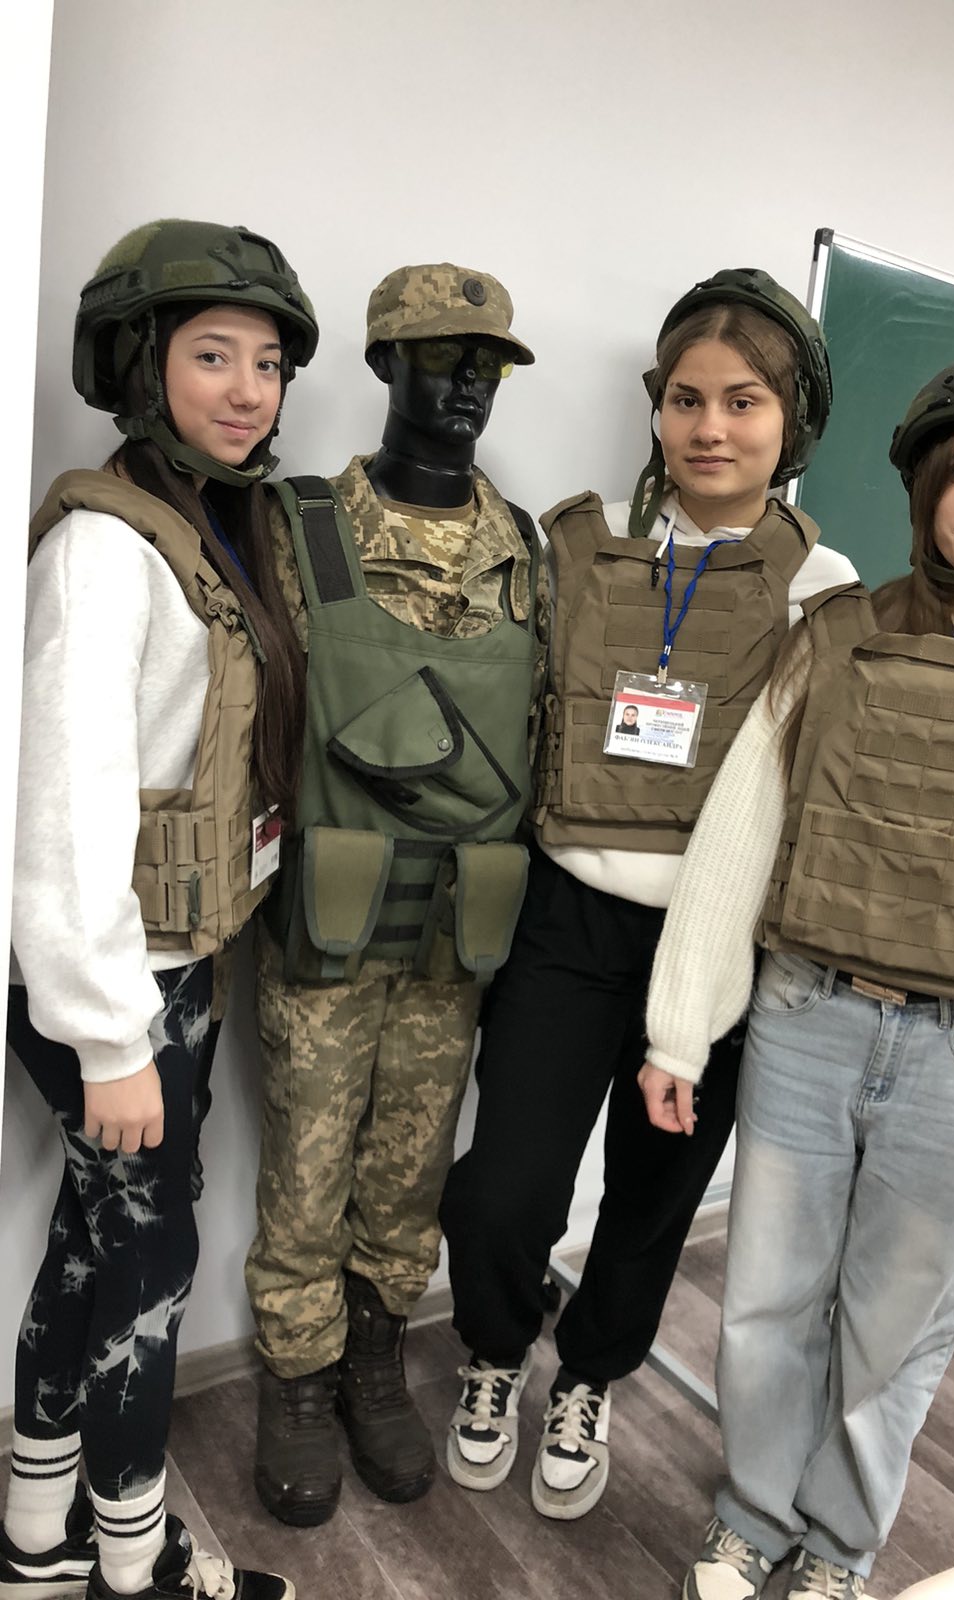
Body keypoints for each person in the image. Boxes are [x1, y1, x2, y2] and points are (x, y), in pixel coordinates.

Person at [639, 348, 954, 1598]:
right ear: (923, 485)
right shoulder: (835, 634)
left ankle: (839, 1546)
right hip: (807, 1017)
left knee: (896, 1329)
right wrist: (679, 1029)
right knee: (766, 1299)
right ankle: (752, 1513)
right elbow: (744, 829)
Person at [439, 268, 857, 1520]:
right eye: (685, 399)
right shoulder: (583, 549)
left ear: (790, 420)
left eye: (742, 402)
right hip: (568, 916)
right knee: (504, 1190)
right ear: (656, 407)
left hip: (716, 947)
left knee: (652, 1198)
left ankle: (590, 1376)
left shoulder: (823, 585)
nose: (709, 427)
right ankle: (496, 1350)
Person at [0, 219, 317, 1600]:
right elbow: (60, 812)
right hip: (114, 987)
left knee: (94, 1242)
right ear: (141, 364)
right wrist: (109, 1036)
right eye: (211, 356)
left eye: (267, 364)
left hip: (163, 970)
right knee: (152, 1265)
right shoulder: (105, 548)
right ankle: (137, 1566)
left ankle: (37, 1539)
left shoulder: (210, 530)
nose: (248, 391)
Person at [245, 264, 548, 1526]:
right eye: (441, 357)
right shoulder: (298, 523)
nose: (470, 384)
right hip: (326, 919)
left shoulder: (527, 549)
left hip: (454, 929)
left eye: (488, 364)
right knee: (306, 1162)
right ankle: (296, 1379)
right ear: (383, 363)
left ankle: (377, 1356)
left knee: (412, 1167)